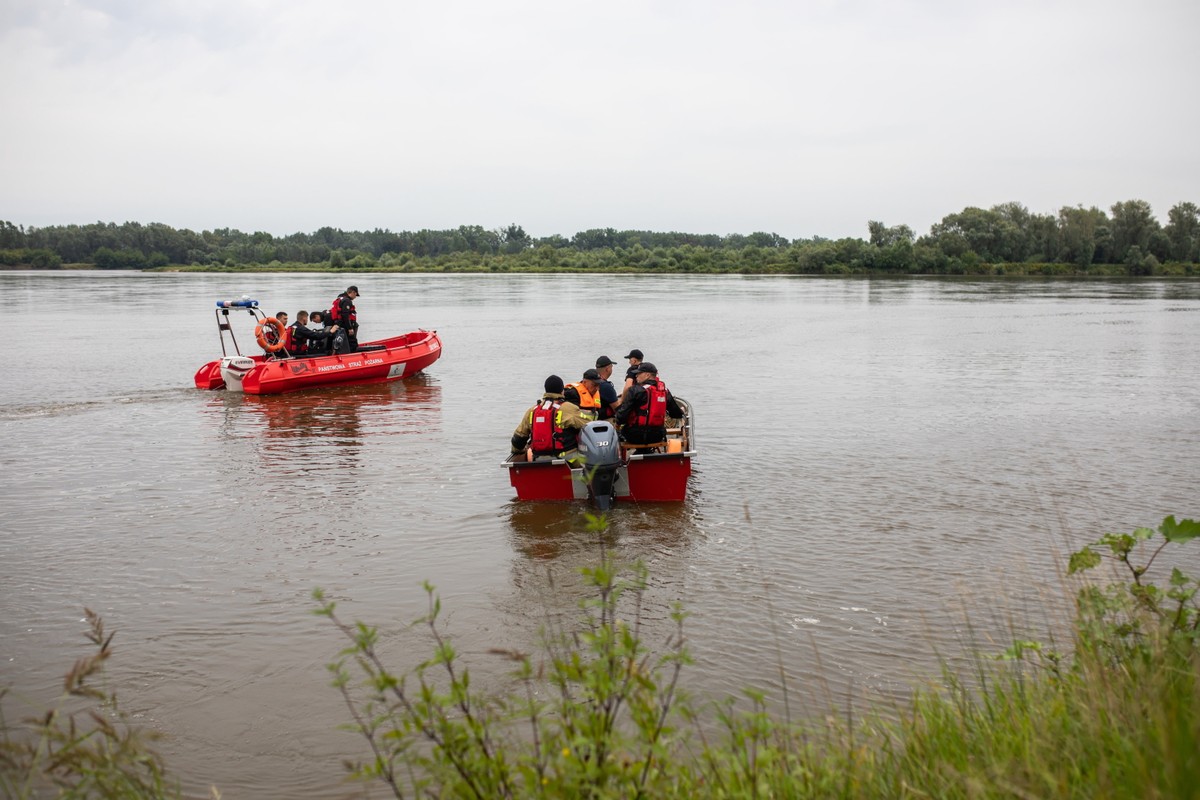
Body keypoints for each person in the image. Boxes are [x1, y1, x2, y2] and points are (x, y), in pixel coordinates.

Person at [510, 375, 588, 462]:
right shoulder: (568, 408)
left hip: (539, 460)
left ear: (546, 390)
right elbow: (588, 425)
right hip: (567, 461)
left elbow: (518, 438)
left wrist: (518, 451)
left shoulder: (533, 410)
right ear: (562, 391)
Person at [614, 362, 683, 454]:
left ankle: (626, 460)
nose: (636, 376)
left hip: (634, 436)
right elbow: (676, 414)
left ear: (647, 375)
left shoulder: (634, 390)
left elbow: (621, 417)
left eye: (639, 373)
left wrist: (617, 420)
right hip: (657, 435)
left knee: (620, 431)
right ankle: (647, 452)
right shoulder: (664, 391)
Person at [328, 285, 360, 353]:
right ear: (353, 292)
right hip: (345, 325)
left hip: (339, 324)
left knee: (345, 341)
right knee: (353, 342)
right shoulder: (347, 301)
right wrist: (350, 328)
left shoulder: (340, 298)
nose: (355, 297)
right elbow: (345, 315)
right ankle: (353, 357)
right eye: (355, 295)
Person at [594, 355, 619, 420]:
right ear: (607, 369)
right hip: (603, 421)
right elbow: (618, 410)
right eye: (611, 367)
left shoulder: (589, 381)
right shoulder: (606, 386)